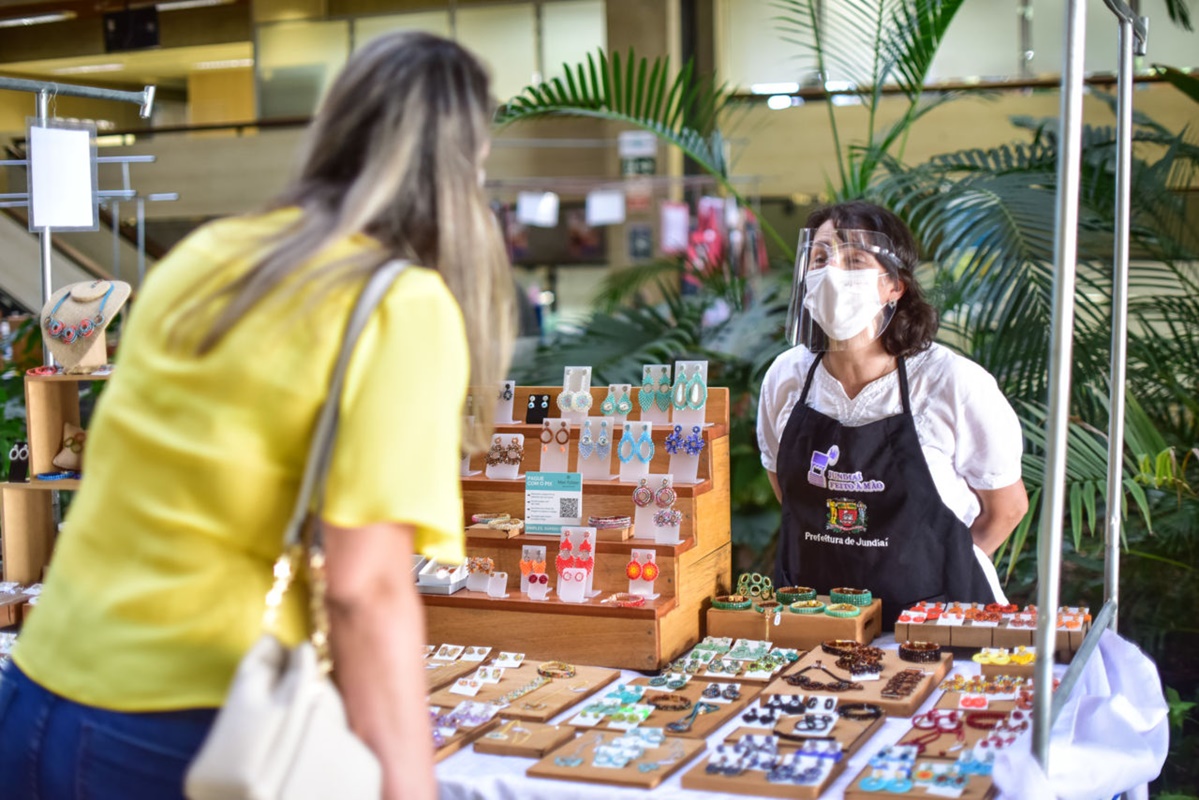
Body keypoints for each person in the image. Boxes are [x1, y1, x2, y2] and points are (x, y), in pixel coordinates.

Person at [0, 32, 513, 800]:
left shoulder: (210, 254)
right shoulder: (398, 304)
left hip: (36, 689)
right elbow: (365, 592)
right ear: (462, 165)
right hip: (178, 725)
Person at [757, 200, 1028, 625]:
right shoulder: (785, 378)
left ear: (894, 286)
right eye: (822, 257)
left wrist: (944, 569)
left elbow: (1007, 508)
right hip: (816, 620)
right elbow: (787, 492)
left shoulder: (952, 383)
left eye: (855, 260)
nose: (832, 273)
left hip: (937, 623)